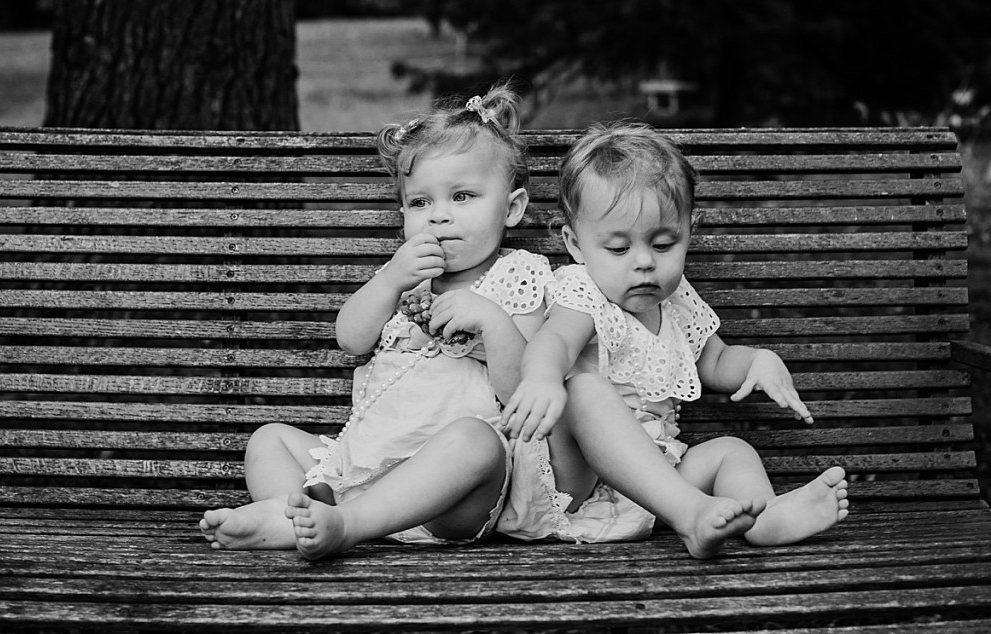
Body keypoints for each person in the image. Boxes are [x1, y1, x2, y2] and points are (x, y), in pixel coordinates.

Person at [200, 84, 554, 559]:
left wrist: (491, 320)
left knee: (477, 441)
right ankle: (294, 517)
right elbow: (350, 339)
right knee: (269, 439)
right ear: (403, 212)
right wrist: (390, 281)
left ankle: (343, 524)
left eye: (462, 196)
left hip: (448, 495)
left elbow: (522, 393)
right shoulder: (404, 278)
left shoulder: (519, 275)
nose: (439, 217)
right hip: (361, 467)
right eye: (421, 203)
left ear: (511, 208)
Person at [497, 121, 849, 558]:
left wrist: (757, 361)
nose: (644, 262)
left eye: (664, 244)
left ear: (687, 232)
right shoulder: (583, 292)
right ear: (576, 244)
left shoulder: (678, 301)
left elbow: (715, 361)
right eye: (619, 249)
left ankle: (765, 518)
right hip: (573, 479)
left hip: (655, 483)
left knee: (731, 452)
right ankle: (690, 517)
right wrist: (544, 379)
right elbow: (554, 342)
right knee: (584, 389)